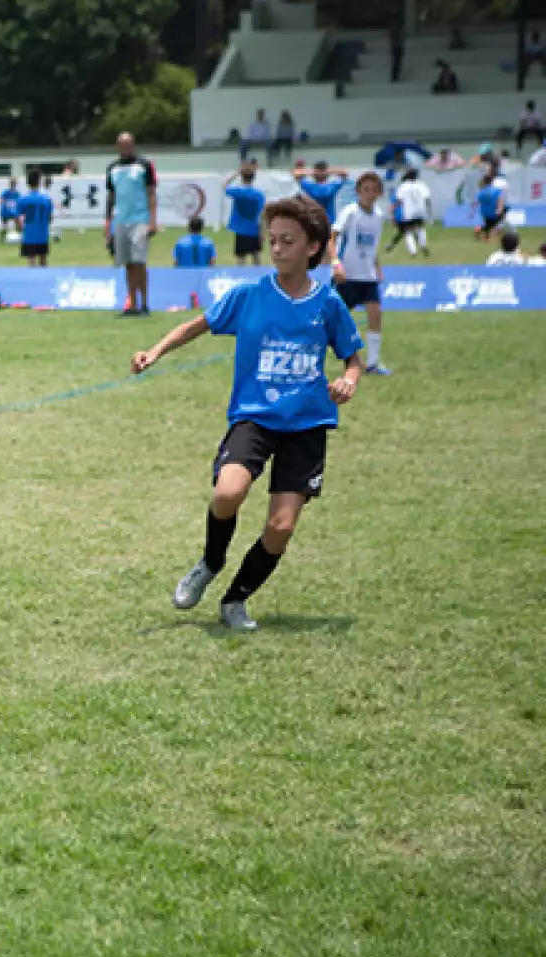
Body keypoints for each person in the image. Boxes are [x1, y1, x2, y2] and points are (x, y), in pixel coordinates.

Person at [130, 195, 364, 633]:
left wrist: (349, 380)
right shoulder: (251, 295)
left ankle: (236, 599)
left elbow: (353, 356)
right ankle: (209, 562)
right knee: (226, 494)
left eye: (288, 241)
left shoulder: (328, 304)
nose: (277, 249)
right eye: (272, 240)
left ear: (313, 247)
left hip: (307, 424)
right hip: (254, 418)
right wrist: (155, 351)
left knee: (281, 525)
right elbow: (196, 325)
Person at [331, 172, 390, 376]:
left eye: (374, 189)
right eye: (366, 189)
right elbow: (332, 238)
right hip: (347, 276)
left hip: (368, 276)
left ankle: (372, 363)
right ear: (358, 191)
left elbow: (373, 247)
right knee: (335, 321)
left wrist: (378, 268)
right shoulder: (350, 212)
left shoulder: (379, 216)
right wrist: (335, 262)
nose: (370, 194)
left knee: (375, 314)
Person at [105, 132, 158, 317]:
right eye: (122, 144)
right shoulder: (112, 168)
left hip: (140, 219)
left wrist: (152, 221)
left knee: (139, 261)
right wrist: (108, 226)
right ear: (118, 146)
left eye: (129, 144)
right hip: (121, 220)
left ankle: (144, 303)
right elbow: (111, 198)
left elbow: (151, 193)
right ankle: (132, 304)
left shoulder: (144, 165)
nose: (126, 147)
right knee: (127, 263)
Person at [224, 160, 266, 265]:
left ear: (242, 177)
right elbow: (262, 214)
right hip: (254, 229)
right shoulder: (259, 195)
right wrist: (263, 232)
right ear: (253, 178)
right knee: (256, 258)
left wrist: (237, 173)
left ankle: (242, 279)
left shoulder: (237, 191)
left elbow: (224, 185)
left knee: (240, 258)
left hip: (241, 230)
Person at [15, 172, 53, 267]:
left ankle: (33, 280)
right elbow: (50, 217)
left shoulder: (22, 199)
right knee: (43, 259)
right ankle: (45, 279)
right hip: (42, 234)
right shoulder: (46, 199)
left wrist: (19, 228)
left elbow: (17, 217)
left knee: (31, 259)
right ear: (39, 182)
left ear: (27, 183)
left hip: (29, 234)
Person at [390, 169, 432, 257]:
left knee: (408, 231)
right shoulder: (422, 185)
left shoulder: (403, 186)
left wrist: (393, 209)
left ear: (408, 176)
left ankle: (413, 251)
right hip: (420, 210)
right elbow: (427, 199)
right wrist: (429, 211)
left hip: (409, 211)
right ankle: (423, 246)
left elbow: (399, 200)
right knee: (420, 228)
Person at [294, 159, 349, 224]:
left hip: (314, 222)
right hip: (328, 222)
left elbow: (297, 175)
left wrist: (314, 172)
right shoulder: (333, 185)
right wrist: (327, 171)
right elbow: (344, 174)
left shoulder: (308, 186)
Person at [474, 172, 507, 242]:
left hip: (484, 212)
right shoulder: (497, 190)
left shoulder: (481, 191)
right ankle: (481, 230)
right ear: (492, 181)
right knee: (504, 212)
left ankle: (487, 238)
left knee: (487, 224)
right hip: (493, 211)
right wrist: (499, 209)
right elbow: (500, 200)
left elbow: (477, 201)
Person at [0, 177, 20, 246]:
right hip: (5, 212)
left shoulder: (17, 193)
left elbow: (19, 202)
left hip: (13, 212)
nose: (13, 185)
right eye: (12, 184)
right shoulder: (6, 192)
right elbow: (1, 199)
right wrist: (4, 202)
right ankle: (2, 239)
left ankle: (19, 237)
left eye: (14, 184)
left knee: (18, 224)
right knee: (5, 226)